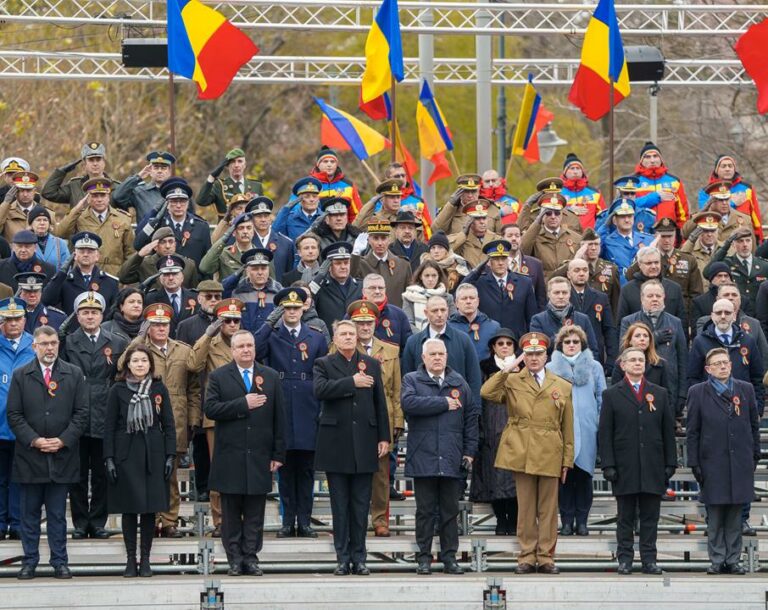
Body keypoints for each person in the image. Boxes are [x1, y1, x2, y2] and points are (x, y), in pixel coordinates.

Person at [481, 332, 574, 574]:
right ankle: (526, 556)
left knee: (548, 509)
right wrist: (508, 368)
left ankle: (545, 557)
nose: (534, 358)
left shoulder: (562, 385)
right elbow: (487, 392)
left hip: (550, 451)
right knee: (526, 508)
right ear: (524, 356)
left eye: (538, 353)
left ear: (547, 355)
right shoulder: (513, 380)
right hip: (522, 449)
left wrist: (567, 460)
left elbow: (568, 426)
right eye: (529, 354)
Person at [7, 326, 88, 580]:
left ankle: (60, 562)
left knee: (56, 516)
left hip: (62, 457)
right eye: (44, 343)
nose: (50, 347)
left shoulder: (74, 374)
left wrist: (63, 440)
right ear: (34, 346)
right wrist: (35, 440)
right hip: (30, 457)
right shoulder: (21, 375)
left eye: (53, 343)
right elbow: (14, 414)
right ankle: (29, 561)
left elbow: (82, 413)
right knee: (29, 515)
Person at [205, 330, 285, 576]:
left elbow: (279, 418)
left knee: (254, 512)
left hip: (260, 455)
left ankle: (251, 557)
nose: (246, 350)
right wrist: (243, 404)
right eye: (240, 346)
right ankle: (234, 560)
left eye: (249, 345)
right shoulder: (219, 376)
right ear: (232, 350)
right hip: (230, 455)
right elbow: (210, 409)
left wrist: (278, 454)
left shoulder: (270, 376)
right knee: (230, 513)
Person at [313, 320, 390, 576]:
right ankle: (342, 558)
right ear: (334, 338)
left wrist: (384, 437)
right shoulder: (323, 364)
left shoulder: (371, 364)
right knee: (340, 506)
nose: (347, 337)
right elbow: (320, 390)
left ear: (357, 337)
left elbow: (380, 401)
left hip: (365, 442)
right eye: (343, 334)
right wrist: (351, 382)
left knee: (360, 506)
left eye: (351, 333)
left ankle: (360, 557)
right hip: (336, 443)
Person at [119, 303, 201, 538]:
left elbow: (194, 389)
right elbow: (119, 367)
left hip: (175, 420)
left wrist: (193, 418)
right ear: (148, 327)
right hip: (144, 421)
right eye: (155, 325)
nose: (161, 328)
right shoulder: (139, 352)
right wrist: (138, 339)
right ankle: (151, 519)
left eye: (164, 324)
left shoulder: (183, 350)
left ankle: (169, 521)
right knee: (147, 472)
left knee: (171, 475)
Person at [253, 288, 327, 539]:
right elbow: (256, 349)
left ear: (304, 308)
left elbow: (323, 371)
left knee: (306, 471)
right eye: (287, 308)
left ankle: (304, 521)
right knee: (284, 470)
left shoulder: (315, 336)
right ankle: (287, 522)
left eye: (296, 308)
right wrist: (269, 321)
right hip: (282, 401)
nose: (292, 312)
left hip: (308, 405)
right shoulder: (272, 335)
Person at [401, 338, 479, 575]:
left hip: (451, 455)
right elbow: (409, 404)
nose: (437, 358)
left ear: (447, 356)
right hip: (423, 456)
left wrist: (469, 451)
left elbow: (471, 418)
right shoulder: (412, 380)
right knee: (424, 512)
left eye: (441, 354)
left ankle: (449, 558)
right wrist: (443, 403)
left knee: (449, 511)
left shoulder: (459, 382)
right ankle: (423, 558)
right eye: (432, 354)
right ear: (423, 358)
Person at [599, 347, 676, 575]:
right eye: (632, 360)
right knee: (625, 518)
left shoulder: (659, 393)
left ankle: (649, 560)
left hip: (653, 465)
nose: (637, 363)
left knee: (650, 517)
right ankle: (625, 559)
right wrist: (608, 464)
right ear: (623, 365)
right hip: (625, 467)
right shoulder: (611, 394)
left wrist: (670, 462)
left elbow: (667, 431)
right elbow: (605, 433)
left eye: (640, 360)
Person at [103, 345, 175, 578]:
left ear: (150, 364)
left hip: (153, 454)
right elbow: (109, 426)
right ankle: (130, 559)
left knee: (148, 510)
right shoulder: (118, 390)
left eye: (144, 360)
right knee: (129, 510)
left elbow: (169, 424)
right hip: (126, 454)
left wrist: (170, 455)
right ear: (128, 365)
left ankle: (145, 559)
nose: (140, 364)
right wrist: (109, 458)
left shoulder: (158, 388)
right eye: (135, 360)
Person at [61, 291, 128, 540]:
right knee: (76, 473)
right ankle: (80, 522)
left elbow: (119, 378)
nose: (90, 316)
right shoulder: (67, 342)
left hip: (104, 411)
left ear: (102, 315)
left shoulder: (116, 343)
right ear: (77, 316)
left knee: (102, 473)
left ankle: (98, 521)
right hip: (75, 412)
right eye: (85, 312)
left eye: (95, 312)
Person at [687, 348, 759, 575]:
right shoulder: (698, 392)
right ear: (708, 369)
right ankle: (717, 560)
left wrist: (754, 455)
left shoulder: (745, 389)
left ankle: (733, 560)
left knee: (736, 516)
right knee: (716, 516)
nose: (722, 366)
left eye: (725, 362)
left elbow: (754, 426)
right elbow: (692, 431)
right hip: (712, 462)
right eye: (716, 364)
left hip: (740, 462)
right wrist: (694, 462)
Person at [186, 296, 243, 534]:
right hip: (216, 417)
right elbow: (192, 365)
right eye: (227, 320)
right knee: (219, 470)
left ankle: (241, 518)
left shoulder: (246, 342)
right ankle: (220, 521)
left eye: (236, 320)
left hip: (244, 415)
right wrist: (208, 334)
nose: (232, 325)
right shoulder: (211, 343)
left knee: (241, 469)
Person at [345, 300, 402, 538]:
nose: (365, 327)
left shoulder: (390, 351)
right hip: (352, 416)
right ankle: (352, 519)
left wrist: (398, 422)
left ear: (375, 323)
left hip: (382, 416)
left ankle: (380, 520)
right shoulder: (342, 348)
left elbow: (397, 390)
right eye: (359, 323)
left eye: (368, 322)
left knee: (380, 474)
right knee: (351, 470)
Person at [546, 326, 605, 537]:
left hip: (588, 429)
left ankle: (582, 521)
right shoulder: (550, 367)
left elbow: (601, 397)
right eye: (567, 342)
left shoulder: (594, 366)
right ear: (560, 345)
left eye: (575, 342)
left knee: (584, 477)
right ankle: (567, 521)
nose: (571, 345)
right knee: (564, 478)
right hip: (560, 431)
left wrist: (599, 423)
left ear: (582, 344)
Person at [469, 329, 519, 536]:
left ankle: (515, 520)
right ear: (493, 347)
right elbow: (479, 396)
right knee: (495, 477)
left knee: (516, 478)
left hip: (517, 427)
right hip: (490, 427)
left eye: (509, 343)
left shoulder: (524, 367)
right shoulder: (483, 368)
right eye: (500, 343)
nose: (505, 346)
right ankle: (500, 520)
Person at [619, 279, 688, 419]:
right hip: (639, 385)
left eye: (658, 296)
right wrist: (654, 338)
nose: (654, 299)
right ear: (642, 298)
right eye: (650, 296)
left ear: (664, 298)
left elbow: (682, 359)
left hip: (669, 388)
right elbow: (624, 352)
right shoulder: (629, 321)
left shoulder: (675, 322)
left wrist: (682, 393)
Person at [0, 297, 35, 541]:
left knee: (21, 479)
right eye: (8, 319)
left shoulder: (35, 346)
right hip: (0, 427)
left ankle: (18, 522)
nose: (13, 323)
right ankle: (0, 523)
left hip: (26, 426)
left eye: (17, 318)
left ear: (25, 319)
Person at [402, 295, 482, 398]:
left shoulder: (463, 340)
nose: (439, 314)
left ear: (448, 311)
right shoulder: (413, 342)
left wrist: (474, 411)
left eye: (443, 310)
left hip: (458, 405)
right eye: (434, 311)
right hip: (424, 407)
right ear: (426, 313)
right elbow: (407, 379)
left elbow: (474, 378)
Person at [687, 299, 764, 406]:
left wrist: (757, 408)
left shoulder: (748, 340)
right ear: (712, 316)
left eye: (727, 313)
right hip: (711, 406)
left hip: (743, 405)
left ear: (734, 316)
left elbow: (757, 377)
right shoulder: (700, 341)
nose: (723, 316)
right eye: (719, 313)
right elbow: (693, 377)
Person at [53, 177, 135, 276]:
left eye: (103, 195)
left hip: (113, 274)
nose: (99, 200)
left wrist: (126, 278)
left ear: (108, 197)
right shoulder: (79, 216)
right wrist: (77, 209)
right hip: (84, 273)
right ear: (88, 198)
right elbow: (60, 233)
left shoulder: (123, 218)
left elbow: (130, 253)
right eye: (95, 196)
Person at [461, 239, 538, 340]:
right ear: (489, 262)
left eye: (503, 258)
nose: (501, 263)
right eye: (496, 259)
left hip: (516, 340)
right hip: (488, 339)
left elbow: (531, 317)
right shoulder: (479, 282)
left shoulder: (524, 282)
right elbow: (462, 288)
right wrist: (478, 269)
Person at [135, 177, 211, 267]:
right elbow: (138, 244)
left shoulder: (201, 226)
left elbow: (207, 260)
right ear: (167, 204)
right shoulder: (158, 225)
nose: (178, 206)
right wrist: (154, 219)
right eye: (174, 201)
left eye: (182, 201)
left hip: (193, 279)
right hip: (164, 277)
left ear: (187, 204)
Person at [41, 231, 119, 315]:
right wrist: (62, 272)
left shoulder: (110, 282)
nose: (85, 254)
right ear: (74, 255)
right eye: (81, 251)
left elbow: (114, 312)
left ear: (97, 256)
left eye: (90, 251)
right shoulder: (64, 280)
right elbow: (46, 300)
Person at [617, 247, 688, 335]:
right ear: (639, 264)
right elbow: (621, 324)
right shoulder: (627, 290)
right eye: (649, 263)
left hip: (669, 343)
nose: (653, 266)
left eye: (656, 262)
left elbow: (682, 323)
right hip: (638, 345)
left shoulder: (674, 288)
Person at [567, 258, 618, 373]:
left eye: (585, 270)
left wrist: (611, 359)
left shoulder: (601, 297)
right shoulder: (563, 297)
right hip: (568, 357)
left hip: (594, 356)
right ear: (568, 274)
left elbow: (609, 330)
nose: (581, 273)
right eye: (577, 270)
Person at [530, 277, 600, 360]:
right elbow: (538, 351)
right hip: (551, 370)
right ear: (548, 294)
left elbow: (593, 350)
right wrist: (562, 336)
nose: (561, 296)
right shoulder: (537, 320)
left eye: (564, 293)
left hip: (579, 370)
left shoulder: (583, 319)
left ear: (570, 294)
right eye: (556, 293)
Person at [705, 228, 768, 318]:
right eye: (740, 241)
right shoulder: (727, 263)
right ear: (733, 244)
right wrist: (725, 246)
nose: (745, 245)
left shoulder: (764, 265)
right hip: (734, 315)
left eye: (748, 240)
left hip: (759, 316)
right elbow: (707, 273)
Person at [698, 155, 763, 241]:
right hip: (718, 237)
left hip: (743, 237)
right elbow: (705, 213)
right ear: (716, 170)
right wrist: (732, 203)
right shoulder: (706, 191)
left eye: (730, 166)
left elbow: (755, 216)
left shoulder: (747, 189)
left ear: (734, 169)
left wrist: (759, 237)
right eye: (723, 166)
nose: (727, 169)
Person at [351, 218, 412, 308]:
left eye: (383, 238)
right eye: (375, 238)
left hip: (396, 317)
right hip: (369, 316)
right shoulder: (361, 264)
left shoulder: (403, 265)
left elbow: (409, 297)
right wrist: (355, 253)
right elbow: (349, 279)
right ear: (369, 240)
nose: (380, 243)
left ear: (389, 240)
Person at [521, 193, 582, 280]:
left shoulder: (575, 238)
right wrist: (537, 222)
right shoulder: (533, 236)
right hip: (544, 284)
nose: (553, 217)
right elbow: (522, 251)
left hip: (569, 284)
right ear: (542, 215)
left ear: (562, 215)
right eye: (548, 213)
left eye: (557, 213)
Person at [41, 142, 119, 206]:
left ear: (104, 162)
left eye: (98, 160)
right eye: (91, 160)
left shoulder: (116, 187)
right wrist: (61, 172)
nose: (95, 164)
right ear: (84, 164)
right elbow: (48, 193)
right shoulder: (75, 186)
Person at [631, 141, 689, 228]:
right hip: (642, 236)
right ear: (641, 161)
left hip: (668, 235)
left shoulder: (674, 182)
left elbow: (683, 215)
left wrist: (681, 237)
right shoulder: (632, 182)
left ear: (661, 159)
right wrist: (654, 197)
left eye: (655, 156)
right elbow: (627, 206)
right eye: (647, 157)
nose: (652, 160)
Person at [119, 226, 198, 289]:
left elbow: (193, 292)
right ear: (155, 247)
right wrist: (139, 255)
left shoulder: (188, 264)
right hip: (153, 306)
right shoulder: (145, 264)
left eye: (171, 241)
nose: (167, 246)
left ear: (175, 244)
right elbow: (124, 278)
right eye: (162, 242)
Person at [197, 148, 264, 219]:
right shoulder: (219, 185)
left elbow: (261, 211)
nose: (236, 165)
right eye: (233, 162)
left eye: (240, 161)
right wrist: (211, 177)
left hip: (248, 228)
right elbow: (201, 201)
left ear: (245, 165)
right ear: (227, 165)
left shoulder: (256, 186)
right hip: (226, 228)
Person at [599, 200, 653, 287]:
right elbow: (594, 246)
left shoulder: (648, 239)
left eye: (630, 216)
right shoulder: (607, 241)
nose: (627, 220)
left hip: (646, 288)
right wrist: (605, 225)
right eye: (622, 217)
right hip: (620, 290)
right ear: (614, 220)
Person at [310, 242, 363, 330]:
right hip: (329, 339)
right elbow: (307, 299)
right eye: (338, 263)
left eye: (346, 263)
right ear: (329, 266)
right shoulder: (320, 287)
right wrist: (320, 276)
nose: (343, 267)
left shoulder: (360, 286)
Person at [143, 255, 199, 338]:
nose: (171, 278)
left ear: (182, 277)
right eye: (166, 274)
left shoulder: (195, 297)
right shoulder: (151, 298)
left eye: (175, 274)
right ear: (160, 278)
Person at [112, 151, 175, 222]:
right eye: (156, 167)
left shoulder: (176, 193)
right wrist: (138, 177)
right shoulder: (140, 191)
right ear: (150, 170)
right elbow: (117, 197)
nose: (159, 171)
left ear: (169, 171)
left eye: (163, 168)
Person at [230, 248, 282, 333]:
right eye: (255, 269)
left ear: (269, 269)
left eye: (264, 268)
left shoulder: (279, 291)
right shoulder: (237, 292)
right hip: (246, 342)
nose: (260, 272)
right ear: (247, 270)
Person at [246, 196, 295, 284]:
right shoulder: (245, 241)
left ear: (270, 218)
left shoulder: (286, 243)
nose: (263, 220)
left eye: (266, 216)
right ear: (251, 219)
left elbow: (289, 274)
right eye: (259, 216)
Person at [433, 174, 502, 235]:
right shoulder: (450, 210)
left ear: (478, 191)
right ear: (459, 193)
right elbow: (436, 230)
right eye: (466, 191)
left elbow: (500, 236)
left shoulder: (491, 209)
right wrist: (450, 204)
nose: (470, 195)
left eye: (473, 191)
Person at [305, 146, 362, 219]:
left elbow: (358, 215)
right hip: (315, 229)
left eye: (332, 161)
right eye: (325, 161)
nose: (329, 164)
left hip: (342, 228)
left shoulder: (349, 186)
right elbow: (296, 211)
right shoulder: (307, 185)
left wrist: (352, 230)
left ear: (336, 165)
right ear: (318, 165)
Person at [448, 284, 500, 361]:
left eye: (472, 298)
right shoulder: (447, 327)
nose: (468, 301)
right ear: (456, 303)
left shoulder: (493, 327)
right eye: (464, 298)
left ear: (478, 301)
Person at [610, 322, 670, 389]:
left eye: (645, 336)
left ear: (650, 340)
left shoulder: (660, 364)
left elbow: (667, 394)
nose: (642, 339)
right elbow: (615, 392)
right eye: (637, 336)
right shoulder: (620, 363)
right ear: (630, 341)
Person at [501, 224, 546, 310]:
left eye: (517, 235)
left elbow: (541, 299)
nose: (514, 238)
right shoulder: (495, 265)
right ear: (502, 239)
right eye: (509, 236)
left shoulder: (535, 264)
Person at [402, 260, 456, 333]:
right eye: (427, 275)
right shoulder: (409, 296)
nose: (430, 279)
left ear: (438, 276)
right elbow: (408, 323)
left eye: (434, 275)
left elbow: (454, 321)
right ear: (421, 276)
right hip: (418, 339)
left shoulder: (448, 298)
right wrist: (424, 337)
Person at [559, 152, 606, 229]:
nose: (575, 171)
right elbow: (550, 216)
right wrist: (568, 210)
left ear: (582, 171)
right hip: (566, 238)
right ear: (565, 172)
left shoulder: (595, 193)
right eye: (572, 168)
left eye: (578, 168)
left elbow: (604, 218)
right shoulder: (557, 193)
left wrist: (596, 234)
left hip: (589, 238)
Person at [447, 201, 500, 268]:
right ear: (469, 220)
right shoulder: (462, 239)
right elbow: (445, 251)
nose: (482, 222)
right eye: (477, 218)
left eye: (484, 218)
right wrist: (463, 234)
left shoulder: (496, 239)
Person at [272, 177, 323, 241]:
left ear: (318, 199)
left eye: (315, 196)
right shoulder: (290, 218)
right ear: (299, 200)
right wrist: (285, 209)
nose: (312, 199)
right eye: (307, 196)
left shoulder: (325, 218)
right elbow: (275, 233)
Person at [680, 211, 722, 287]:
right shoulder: (690, 249)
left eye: (713, 231)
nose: (709, 234)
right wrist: (690, 242)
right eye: (706, 231)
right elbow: (680, 259)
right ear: (699, 232)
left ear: (717, 231)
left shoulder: (726, 249)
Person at [0, 170, 41, 243]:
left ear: (34, 191)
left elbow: (58, 235)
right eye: (21, 190)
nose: (25, 194)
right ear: (15, 192)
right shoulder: (5, 212)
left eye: (28, 190)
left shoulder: (45, 213)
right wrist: (6, 203)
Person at [27, 206, 70, 272]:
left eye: (45, 220)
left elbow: (67, 268)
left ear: (49, 224)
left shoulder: (60, 243)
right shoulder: (24, 243)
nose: (42, 223)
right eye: (38, 220)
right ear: (31, 224)